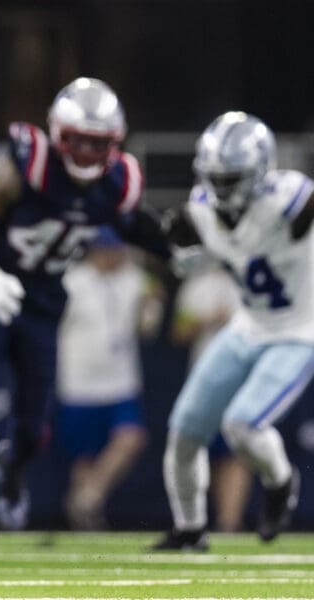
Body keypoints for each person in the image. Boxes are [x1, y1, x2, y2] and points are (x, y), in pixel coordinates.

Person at [0, 77, 172, 545]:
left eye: (95, 143)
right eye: (77, 141)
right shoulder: (27, 165)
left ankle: (11, 467)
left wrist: (176, 245)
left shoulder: (118, 182)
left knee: (33, 429)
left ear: (113, 143)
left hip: (43, 303)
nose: (84, 153)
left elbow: (134, 226)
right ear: (58, 134)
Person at [151, 112, 309, 551]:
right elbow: (189, 260)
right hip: (247, 326)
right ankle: (190, 528)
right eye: (215, 178)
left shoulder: (290, 198)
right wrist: (178, 243)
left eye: (231, 178)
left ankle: (280, 482)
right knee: (184, 429)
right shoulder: (201, 210)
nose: (221, 189)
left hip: (299, 332)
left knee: (242, 424)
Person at [55, 227, 162, 530]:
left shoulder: (134, 279)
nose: (114, 255)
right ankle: (86, 521)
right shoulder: (72, 282)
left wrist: (151, 304)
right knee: (84, 457)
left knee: (131, 438)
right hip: (79, 383)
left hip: (121, 381)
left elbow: (147, 330)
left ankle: (88, 497)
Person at [170, 260, 254, 533]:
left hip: (242, 379)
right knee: (197, 450)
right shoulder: (196, 286)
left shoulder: (252, 284)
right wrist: (209, 320)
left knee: (237, 451)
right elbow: (179, 334)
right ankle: (196, 521)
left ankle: (230, 521)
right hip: (202, 380)